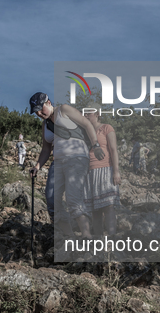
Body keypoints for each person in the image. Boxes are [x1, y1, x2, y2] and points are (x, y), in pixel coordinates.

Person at [28, 92, 105, 238]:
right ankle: (69, 236)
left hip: (77, 158)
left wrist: (95, 145)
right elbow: (46, 149)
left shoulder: (63, 110)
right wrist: (37, 166)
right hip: (58, 162)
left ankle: (87, 236)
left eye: (40, 108)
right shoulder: (45, 125)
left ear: (48, 103)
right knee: (51, 199)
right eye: (35, 111)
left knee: (73, 198)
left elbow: (87, 124)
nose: (38, 113)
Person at [83, 105, 121, 236]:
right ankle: (98, 240)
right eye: (85, 113)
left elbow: (113, 150)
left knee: (108, 205)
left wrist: (116, 171)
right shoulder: (84, 131)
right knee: (95, 209)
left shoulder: (106, 128)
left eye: (89, 112)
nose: (86, 115)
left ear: (98, 113)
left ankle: (111, 238)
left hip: (105, 169)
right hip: (89, 172)